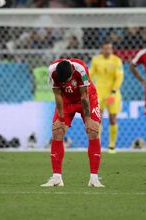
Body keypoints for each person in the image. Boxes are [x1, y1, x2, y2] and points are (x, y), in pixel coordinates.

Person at [41, 58, 104, 187]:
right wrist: (61, 119)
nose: (66, 83)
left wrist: (88, 119)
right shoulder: (52, 71)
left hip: (87, 98)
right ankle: (56, 178)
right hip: (66, 101)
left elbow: (84, 96)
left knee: (93, 131)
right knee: (57, 131)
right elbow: (58, 95)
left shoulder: (80, 68)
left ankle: (94, 178)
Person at [90, 41, 124, 154]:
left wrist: (114, 91)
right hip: (99, 93)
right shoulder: (96, 60)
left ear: (112, 49)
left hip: (112, 94)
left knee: (112, 118)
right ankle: (97, 145)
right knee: (97, 118)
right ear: (102, 49)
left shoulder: (116, 61)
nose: (107, 51)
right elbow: (91, 74)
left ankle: (112, 145)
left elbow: (119, 77)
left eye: (109, 48)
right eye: (105, 48)